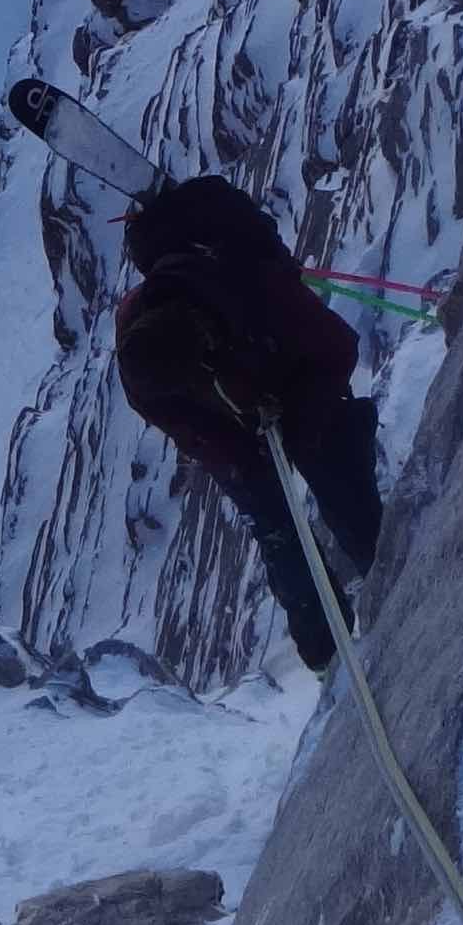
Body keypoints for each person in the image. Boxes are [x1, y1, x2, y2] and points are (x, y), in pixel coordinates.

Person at [111, 173, 383, 670]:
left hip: (294, 370)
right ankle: (329, 658)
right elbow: (197, 434)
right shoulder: (145, 371)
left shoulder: (257, 288)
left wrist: (303, 412)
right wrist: (246, 454)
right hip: (231, 420)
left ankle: (391, 575)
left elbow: (337, 348)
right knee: (276, 526)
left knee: (338, 472)